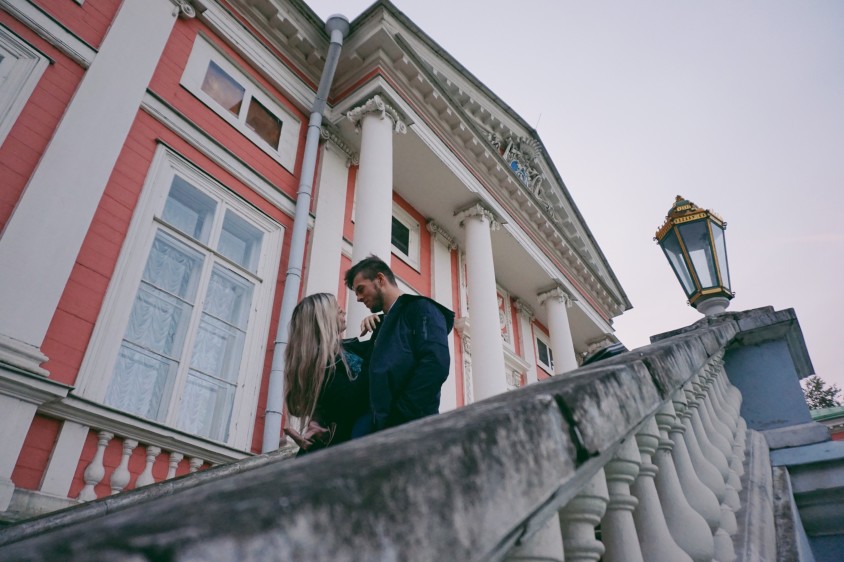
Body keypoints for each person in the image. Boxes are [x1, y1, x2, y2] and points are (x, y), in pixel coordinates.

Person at [345, 255, 454, 432]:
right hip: (380, 428)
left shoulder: (423, 309)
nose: (358, 298)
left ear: (380, 279)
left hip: (413, 429)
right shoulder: (381, 325)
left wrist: (399, 418)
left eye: (360, 289)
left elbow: (435, 364)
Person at [283, 293, 369, 454]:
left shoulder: (344, 351)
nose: (343, 311)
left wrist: (378, 321)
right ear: (322, 320)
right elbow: (356, 397)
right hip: (346, 450)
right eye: (337, 309)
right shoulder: (324, 365)